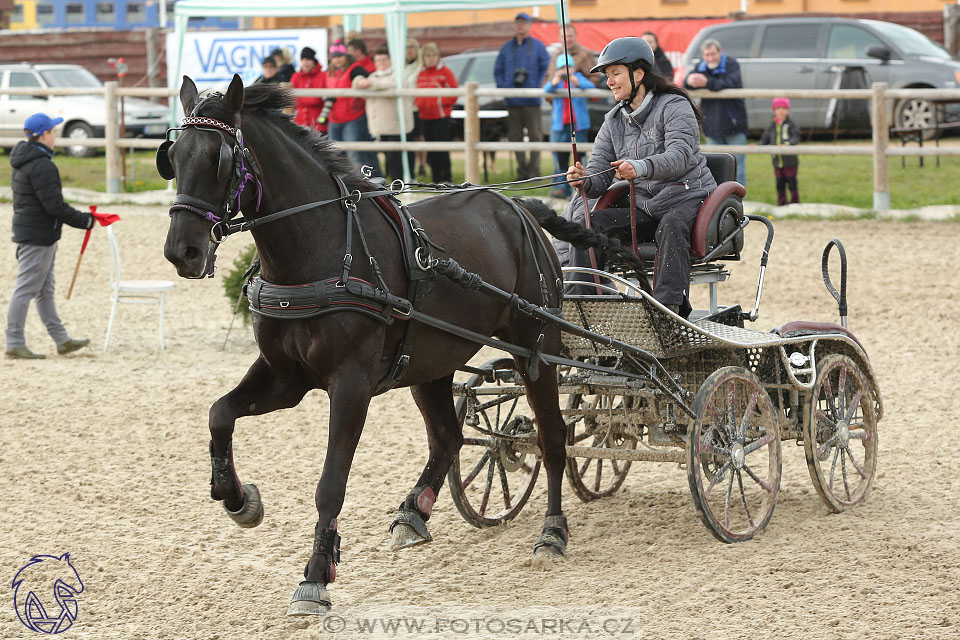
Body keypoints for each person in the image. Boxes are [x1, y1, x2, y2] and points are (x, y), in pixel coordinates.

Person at [564, 37, 716, 314]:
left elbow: (681, 156)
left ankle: (668, 310)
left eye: (615, 74)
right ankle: (583, 305)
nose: (609, 82)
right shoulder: (613, 121)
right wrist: (583, 180)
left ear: (638, 74)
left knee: (670, 225)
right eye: (607, 76)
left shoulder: (674, 105)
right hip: (647, 204)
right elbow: (599, 179)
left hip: (689, 196)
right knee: (591, 224)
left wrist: (640, 166)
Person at [6, 113, 94, 359]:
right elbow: (54, 206)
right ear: (44, 135)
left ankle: (61, 339)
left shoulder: (27, 160)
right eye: (53, 132)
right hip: (37, 237)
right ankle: (14, 341)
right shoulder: (42, 165)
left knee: (44, 290)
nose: (56, 136)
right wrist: (84, 220)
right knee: (25, 289)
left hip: (34, 233)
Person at [684, 38, 748, 186]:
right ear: (703, 55)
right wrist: (690, 80)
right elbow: (687, 82)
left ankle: (739, 200)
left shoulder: (732, 65)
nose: (710, 58)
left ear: (720, 52)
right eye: (707, 55)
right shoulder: (701, 67)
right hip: (712, 125)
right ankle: (719, 201)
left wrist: (707, 83)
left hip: (735, 125)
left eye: (713, 54)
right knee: (716, 168)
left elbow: (731, 83)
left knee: (738, 168)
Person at [494, 12, 550, 181]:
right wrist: (505, 89)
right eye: (518, 23)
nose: (520, 26)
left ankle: (534, 172)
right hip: (512, 101)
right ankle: (521, 172)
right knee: (515, 137)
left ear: (529, 25)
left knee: (535, 136)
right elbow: (498, 71)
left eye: (523, 23)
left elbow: (546, 69)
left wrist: (537, 87)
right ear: (515, 25)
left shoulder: (538, 47)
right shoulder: (506, 48)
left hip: (532, 100)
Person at [355, 45, 414, 182]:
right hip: (378, 125)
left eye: (384, 59)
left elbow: (389, 84)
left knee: (396, 158)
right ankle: (391, 183)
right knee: (387, 157)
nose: (381, 62)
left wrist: (369, 83)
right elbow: (357, 84)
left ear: (390, 60)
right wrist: (359, 80)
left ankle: (398, 183)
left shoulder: (399, 75)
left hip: (395, 123)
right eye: (377, 60)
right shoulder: (373, 75)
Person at [326, 39, 382, 177]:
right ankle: (346, 185)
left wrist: (362, 81)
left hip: (354, 119)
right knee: (336, 155)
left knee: (356, 155)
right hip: (334, 119)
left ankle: (366, 185)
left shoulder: (355, 69)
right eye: (335, 57)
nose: (337, 60)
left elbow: (362, 78)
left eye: (340, 56)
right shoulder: (329, 73)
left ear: (346, 56)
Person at [543, 54, 594, 199]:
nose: (566, 71)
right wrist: (555, 81)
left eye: (569, 67)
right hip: (561, 124)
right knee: (560, 157)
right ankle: (561, 188)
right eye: (562, 68)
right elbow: (546, 89)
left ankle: (583, 184)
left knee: (580, 156)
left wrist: (576, 81)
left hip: (578, 125)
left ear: (573, 68)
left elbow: (590, 86)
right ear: (558, 70)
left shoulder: (577, 77)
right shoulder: (557, 81)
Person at [415, 42, 458, 184]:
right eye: (428, 56)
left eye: (434, 55)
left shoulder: (445, 72)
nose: (431, 58)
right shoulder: (421, 73)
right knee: (431, 150)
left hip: (441, 117)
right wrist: (419, 103)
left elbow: (454, 91)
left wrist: (441, 102)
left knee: (442, 149)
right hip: (425, 117)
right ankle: (435, 179)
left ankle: (446, 178)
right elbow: (417, 92)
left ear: (438, 57)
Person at [758, 97, 800, 205]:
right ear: (774, 110)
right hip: (777, 161)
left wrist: (788, 144)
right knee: (779, 182)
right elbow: (765, 138)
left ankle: (794, 202)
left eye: (784, 108)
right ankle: (781, 203)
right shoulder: (772, 125)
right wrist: (758, 145)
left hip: (790, 160)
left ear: (788, 110)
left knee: (791, 182)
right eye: (778, 108)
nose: (781, 111)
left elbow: (796, 137)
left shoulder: (791, 124)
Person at [404, 37, 428, 179]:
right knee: (408, 138)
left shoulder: (421, 66)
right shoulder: (401, 67)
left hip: (417, 107)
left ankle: (422, 164)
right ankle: (410, 167)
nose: (409, 51)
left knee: (420, 137)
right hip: (405, 107)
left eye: (412, 47)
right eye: (407, 48)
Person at [290, 47, 327, 133]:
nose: (305, 62)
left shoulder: (323, 76)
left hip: (319, 125)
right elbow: (292, 100)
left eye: (308, 59)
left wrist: (303, 99)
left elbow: (316, 100)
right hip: (299, 125)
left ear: (314, 61)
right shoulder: (295, 76)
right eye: (302, 59)